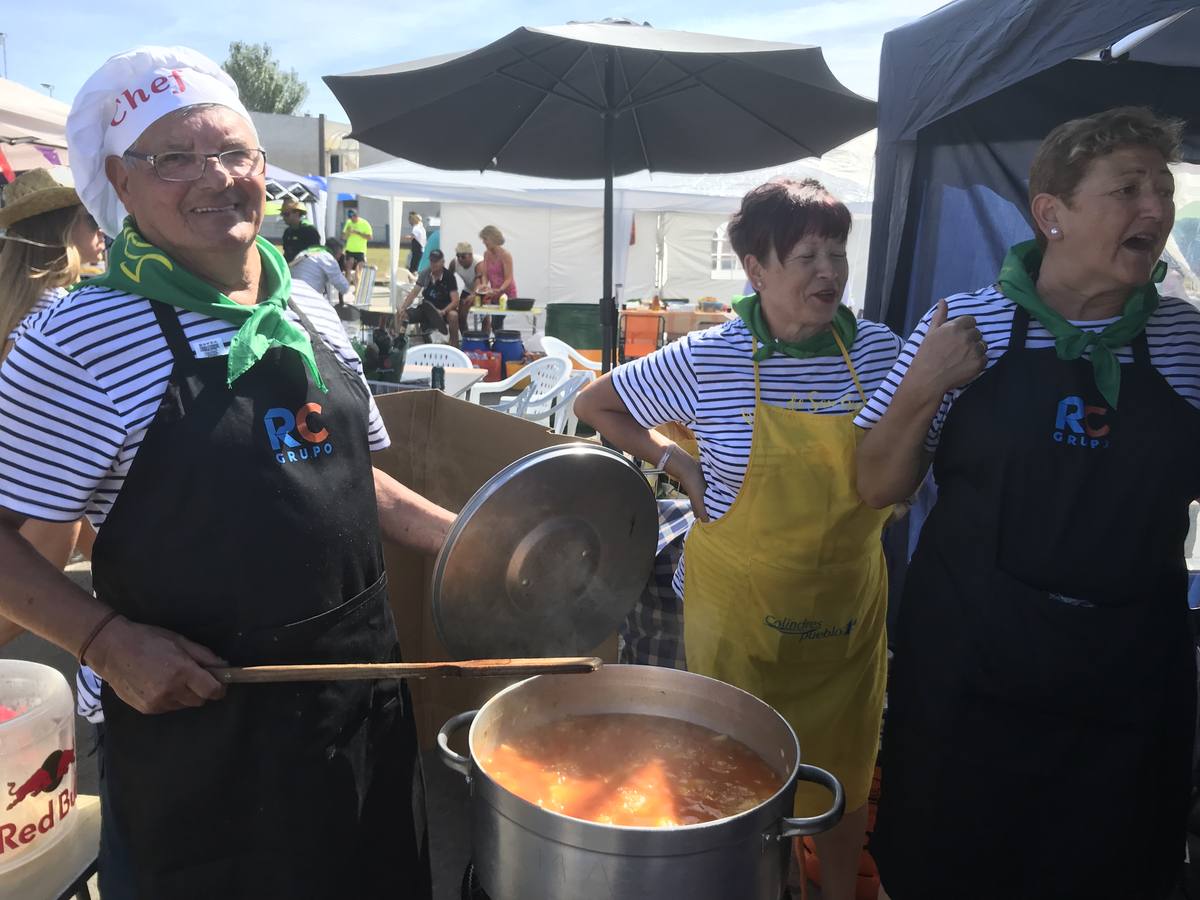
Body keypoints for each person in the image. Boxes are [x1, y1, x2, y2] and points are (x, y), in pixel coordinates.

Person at [0, 46, 455, 899]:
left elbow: (357, 478)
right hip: (200, 744)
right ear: (120, 183)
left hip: (359, 712)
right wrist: (101, 641)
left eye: (237, 152)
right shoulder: (75, 342)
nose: (216, 177)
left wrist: (481, 546)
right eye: (174, 157)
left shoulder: (306, 306)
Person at [855, 107, 1200, 900]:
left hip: (1127, 682)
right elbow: (877, 484)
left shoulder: (1187, 343)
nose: (1156, 209)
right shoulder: (963, 324)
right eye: (1127, 189)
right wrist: (921, 386)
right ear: (1053, 214)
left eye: (1163, 189)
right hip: (968, 677)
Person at [574, 178, 903, 900]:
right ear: (755, 268)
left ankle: (841, 890)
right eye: (807, 255)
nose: (830, 272)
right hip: (738, 612)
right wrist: (675, 460)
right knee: (745, 774)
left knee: (847, 768)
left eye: (838, 252)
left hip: (846, 609)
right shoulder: (709, 360)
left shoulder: (878, 352)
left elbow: (908, 454)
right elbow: (593, 402)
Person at [0, 165, 106, 645]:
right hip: (34, 497)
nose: (101, 233)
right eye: (90, 221)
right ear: (65, 231)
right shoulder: (65, 319)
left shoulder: (14, 306)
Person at [398, 249, 462, 344]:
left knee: (453, 315)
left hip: (443, 310)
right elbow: (414, 293)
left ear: (442, 262)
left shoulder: (449, 277)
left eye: (436, 261)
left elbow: (455, 301)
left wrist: (444, 311)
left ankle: (454, 344)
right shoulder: (425, 273)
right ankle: (399, 342)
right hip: (426, 308)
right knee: (403, 315)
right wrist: (403, 307)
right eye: (431, 261)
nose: (433, 264)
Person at [289, 234, 350, 304]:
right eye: (340, 254)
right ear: (337, 252)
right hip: (308, 298)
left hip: (291, 295)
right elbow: (344, 288)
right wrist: (348, 269)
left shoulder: (305, 252)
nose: (340, 258)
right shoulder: (328, 258)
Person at [279, 198, 321, 263]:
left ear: (297, 213)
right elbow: (286, 252)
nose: (284, 218)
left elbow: (314, 253)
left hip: (305, 267)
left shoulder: (310, 231)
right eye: (282, 215)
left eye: (286, 214)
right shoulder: (287, 232)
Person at [342, 207, 372, 287]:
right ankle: (345, 288)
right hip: (350, 250)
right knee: (348, 269)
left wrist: (358, 233)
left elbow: (369, 237)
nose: (351, 220)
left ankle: (357, 290)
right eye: (350, 218)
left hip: (360, 251)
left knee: (358, 271)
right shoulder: (348, 223)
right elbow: (343, 237)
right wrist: (348, 232)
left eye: (352, 218)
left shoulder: (364, 223)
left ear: (356, 216)